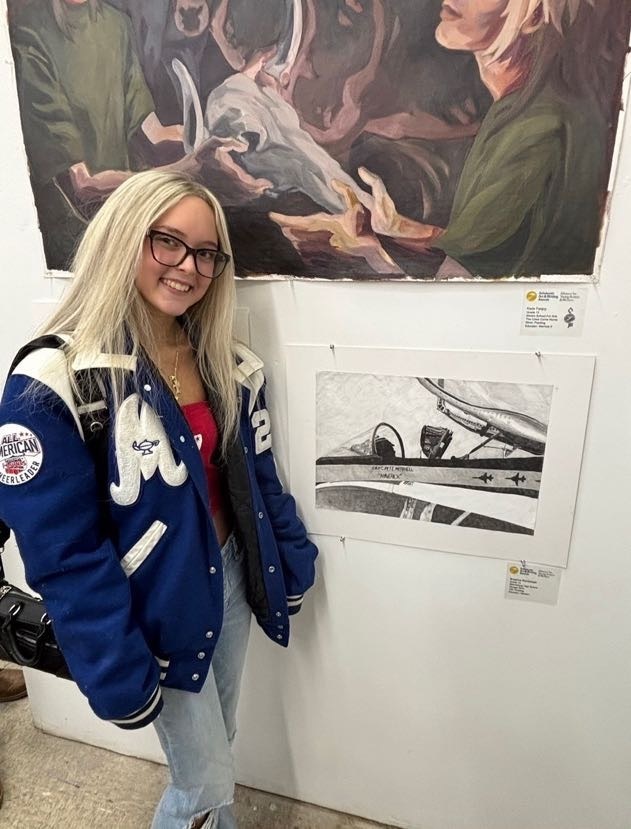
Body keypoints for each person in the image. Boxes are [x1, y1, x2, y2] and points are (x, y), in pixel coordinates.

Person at [0, 170, 318, 829]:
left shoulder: (225, 362)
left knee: (215, 749)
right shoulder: (51, 380)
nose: (189, 266)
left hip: (228, 580)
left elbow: (258, 479)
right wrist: (111, 659)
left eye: (205, 252)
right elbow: (63, 551)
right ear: (123, 237)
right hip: (151, 604)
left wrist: (289, 557)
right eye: (166, 241)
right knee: (206, 775)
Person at [271, 0, 627, 278]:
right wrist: (396, 230)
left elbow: (471, 282)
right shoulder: (523, 111)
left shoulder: (538, 126)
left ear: (531, 16)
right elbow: (488, 246)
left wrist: (364, 252)